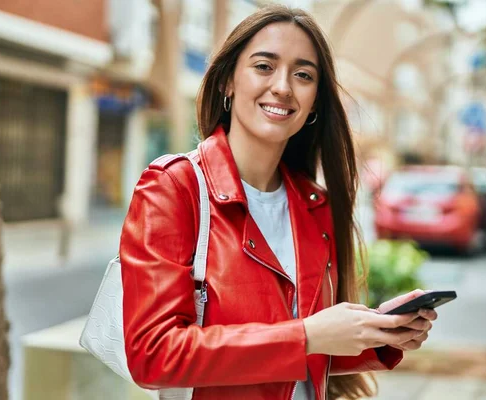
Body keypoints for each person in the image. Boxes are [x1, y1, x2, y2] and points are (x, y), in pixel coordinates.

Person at [119, 6, 437, 400]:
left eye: (303, 75)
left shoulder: (314, 205)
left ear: (315, 102)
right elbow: (152, 355)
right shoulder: (173, 188)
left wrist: (377, 333)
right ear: (227, 82)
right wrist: (305, 336)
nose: (283, 86)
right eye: (264, 66)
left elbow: (303, 356)